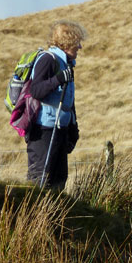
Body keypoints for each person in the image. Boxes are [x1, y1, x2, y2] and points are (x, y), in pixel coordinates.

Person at [27, 20, 87, 189]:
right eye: (77, 42)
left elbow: (69, 101)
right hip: (44, 130)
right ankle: (35, 214)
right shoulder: (48, 59)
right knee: (40, 180)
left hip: (60, 129)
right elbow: (36, 91)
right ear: (66, 42)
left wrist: (73, 129)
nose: (80, 47)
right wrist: (58, 79)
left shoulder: (66, 65)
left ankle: (55, 214)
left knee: (59, 179)